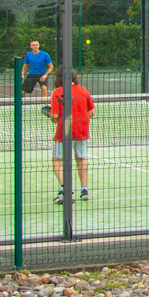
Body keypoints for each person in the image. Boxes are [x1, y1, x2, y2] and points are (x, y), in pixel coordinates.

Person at [47, 69, 94, 203]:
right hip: (82, 130)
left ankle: (65, 189)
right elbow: (92, 112)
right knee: (81, 158)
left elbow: (55, 117)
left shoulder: (57, 92)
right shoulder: (83, 90)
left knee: (57, 160)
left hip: (64, 131)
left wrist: (50, 115)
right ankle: (84, 189)